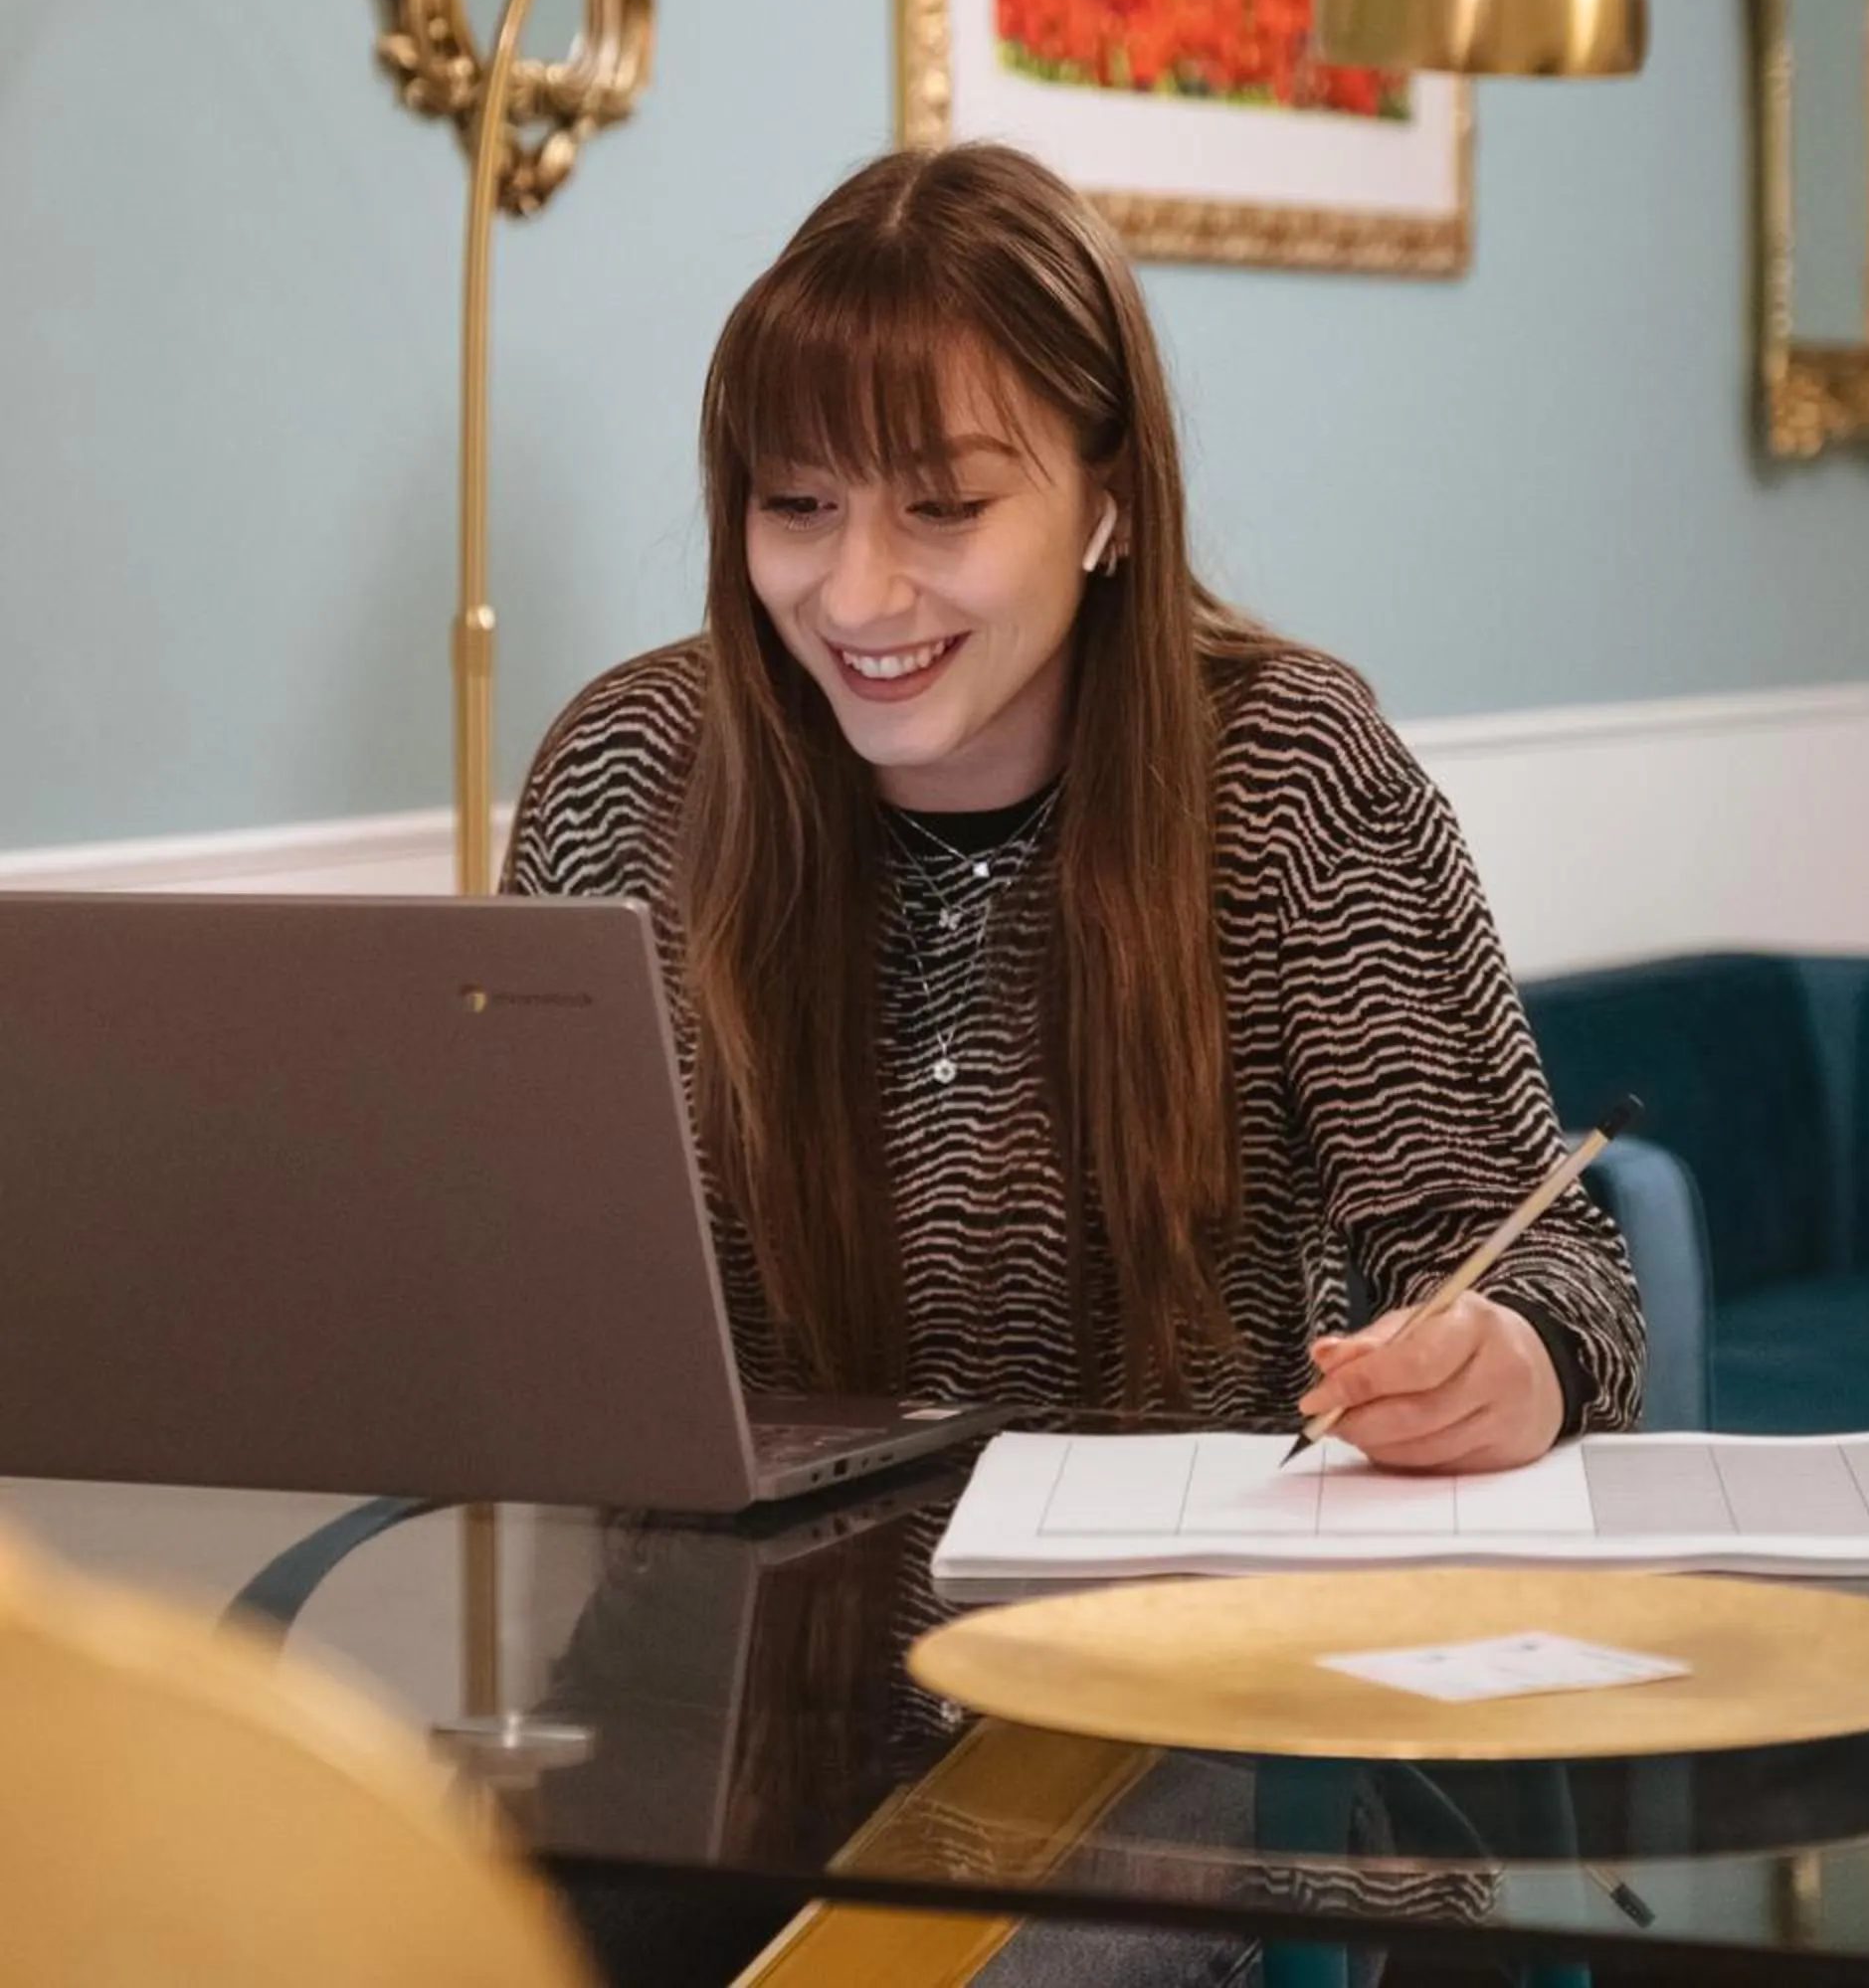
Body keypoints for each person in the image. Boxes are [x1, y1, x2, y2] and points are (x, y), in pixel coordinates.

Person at [508, 141, 1642, 1461]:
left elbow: (1557, 1275)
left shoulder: (1289, 773)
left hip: (1161, 1639)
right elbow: (510, 1267)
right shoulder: (626, 768)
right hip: (715, 1635)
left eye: (943, 506)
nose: (857, 593)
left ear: (1110, 499)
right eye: (799, 503)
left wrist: (1510, 1359)